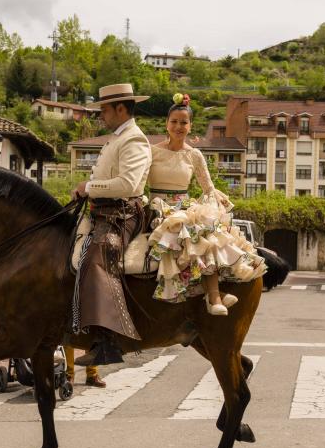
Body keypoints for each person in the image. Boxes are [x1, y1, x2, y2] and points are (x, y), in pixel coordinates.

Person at [147, 94, 266, 314]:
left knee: (204, 235)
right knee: (185, 233)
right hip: (157, 207)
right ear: (166, 124)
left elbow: (208, 188)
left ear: (191, 126)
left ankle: (214, 298)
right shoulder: (152, 151)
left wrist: (214, 214)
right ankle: (211, 295)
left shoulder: (195, 155)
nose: (178, 126)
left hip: (183, 207)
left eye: (184, 122)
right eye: (174, 121)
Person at [72, 83, 152, 367]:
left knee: (97, 258)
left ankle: (107, 341)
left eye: (104, 110)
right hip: (104, 211)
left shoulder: (134, 140)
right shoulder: (117, 138)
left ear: (121, 109)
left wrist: (89, 186)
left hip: (123, 213)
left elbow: (127, 184)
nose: (101, 115)